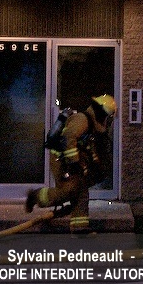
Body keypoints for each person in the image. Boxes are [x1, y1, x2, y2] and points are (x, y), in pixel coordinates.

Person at [25, 94, 116, 234]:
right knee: (67, 191)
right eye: (107, 116)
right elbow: (68, 138)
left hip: (72, 160)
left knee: (81, 190)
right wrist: (74, 163)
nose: (107, 120)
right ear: (101, 112)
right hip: (61, 159)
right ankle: (35, 196)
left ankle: (80, 227)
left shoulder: (92, 125)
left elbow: (87, 147)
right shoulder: (83, 119)